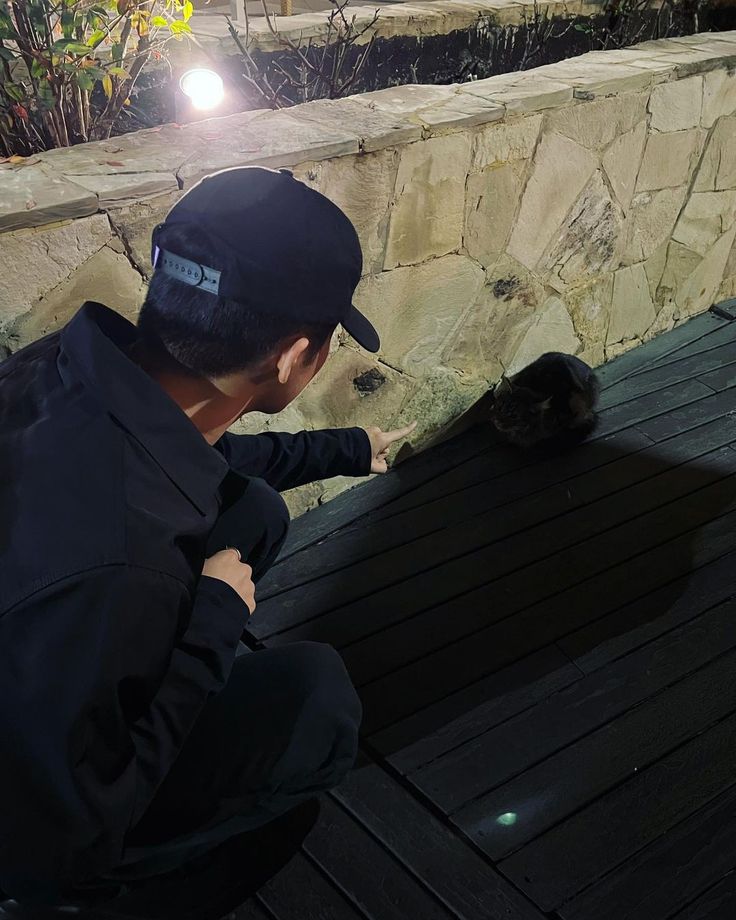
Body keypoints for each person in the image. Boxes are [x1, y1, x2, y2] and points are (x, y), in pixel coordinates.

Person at [0, 165, 416, 914]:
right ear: (293, 357)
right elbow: (61, 843)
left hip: (45, 642)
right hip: (40, 829)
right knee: (318, 700)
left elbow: (196, 451)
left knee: (252, 508)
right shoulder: (123, 567)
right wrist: (211, 628)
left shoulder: (63, 366)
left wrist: (345, 449)